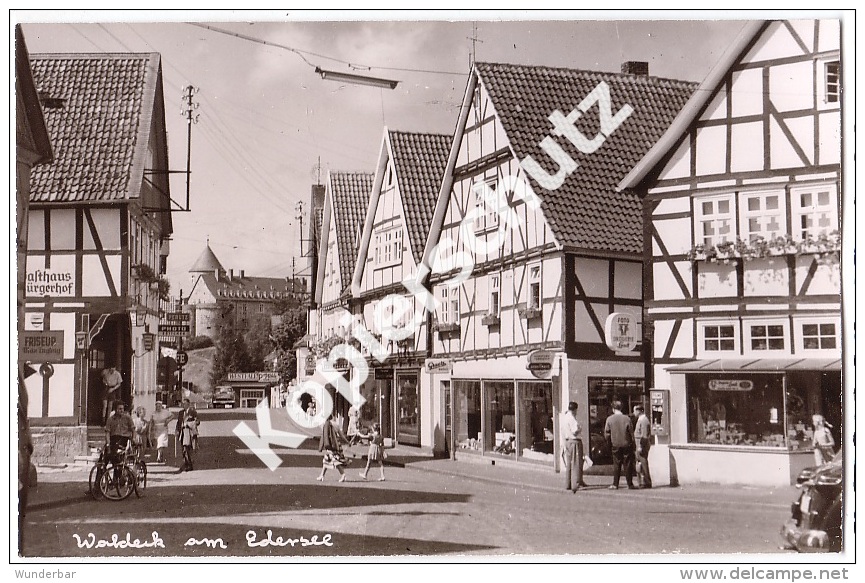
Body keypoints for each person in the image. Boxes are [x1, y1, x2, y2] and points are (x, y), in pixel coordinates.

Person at [604, 400, 636, 490]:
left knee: (617, 464)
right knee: (628, 464)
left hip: (616, 444)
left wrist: (609, 442)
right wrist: (632, 443)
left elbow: (607, 433)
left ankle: (615, 484)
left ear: (613, 409)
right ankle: (630, 483)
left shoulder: (609, 419)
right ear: (621, 408)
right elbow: (631, 433)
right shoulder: (627, 418)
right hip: (626, 444)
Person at [560, 401, 587, 492]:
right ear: (575, 409)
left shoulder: (564, 418)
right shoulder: (572, 418)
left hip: (567, 442)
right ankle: (577, 483)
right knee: (576, 462)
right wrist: (579, 428)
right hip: (574, 441)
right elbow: (575, 430)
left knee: (569, 464)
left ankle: (568, 483)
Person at [317, 413, 348, 482]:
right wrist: (347, 442)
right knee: (326, 460)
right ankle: (321, 475)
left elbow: (324, 436)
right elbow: (341, 436)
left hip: (331, 446)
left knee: (335, 461)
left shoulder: (325, 425)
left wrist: (323, 445)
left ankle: (343, 475)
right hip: (337, 445)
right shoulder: (335, 424)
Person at [175, 398, 199, 472]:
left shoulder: (192, 412)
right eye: (183, 404)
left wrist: (189, 424)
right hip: (183, 432)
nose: (183, 405)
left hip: (189, 432)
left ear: (188, 404)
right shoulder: (181, 412)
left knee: (187, 448)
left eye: (185, 404)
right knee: (183, 448)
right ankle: (187, 463)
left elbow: (197, 421)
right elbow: (178, 422)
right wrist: (177, 430)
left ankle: (189, 464)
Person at [632, 404, 652, 488]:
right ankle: (641, 481)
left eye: (635, 411)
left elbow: (644, 435)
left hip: (641, 445)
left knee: (643, 463)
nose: (634, 413)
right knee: (640, 463)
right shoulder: (640, 420)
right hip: (638, 444)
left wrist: (641, 446)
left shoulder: (644, 420)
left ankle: (646, 482)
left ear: (639, 411)